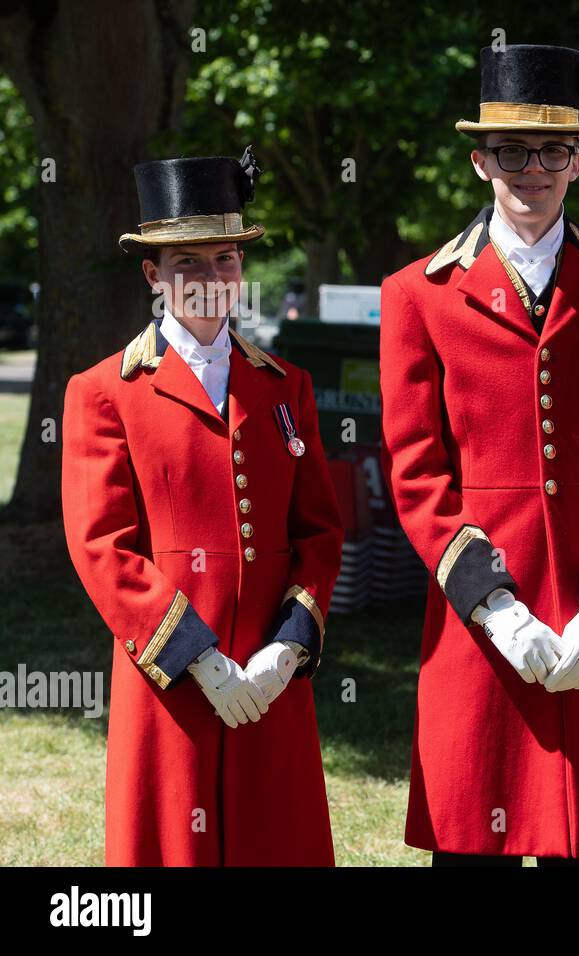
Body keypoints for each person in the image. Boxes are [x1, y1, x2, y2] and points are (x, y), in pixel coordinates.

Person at [380, 44, 579, 866]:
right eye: (513, 151)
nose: (533, 169)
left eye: (553, 151)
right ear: (481, 161)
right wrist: (495, 604)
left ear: (577, 161)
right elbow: (416, 471)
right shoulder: (417, 294)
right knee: (473, 838)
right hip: (480, 621)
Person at [61, 147, 343, 865]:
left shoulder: (287, 386)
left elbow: (318, 531)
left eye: (225, 259)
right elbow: (103, 548)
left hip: (269, 677)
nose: (211, 279)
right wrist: (197, 659)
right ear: (154, 274)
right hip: (172, 681)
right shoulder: (103, 392)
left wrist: (288, 646)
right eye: (187, 263)